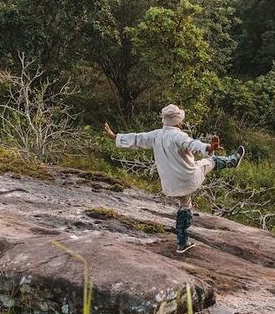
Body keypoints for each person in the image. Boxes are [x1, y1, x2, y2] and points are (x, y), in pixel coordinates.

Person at [103, 104, 245, 253]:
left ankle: (182, 242)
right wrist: (209, 148)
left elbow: (137, 139)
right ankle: (233, 161)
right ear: (179, 121)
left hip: (171, 184)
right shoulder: (178, 136)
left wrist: (115, 137)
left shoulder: (156, 135)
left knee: (185, 204)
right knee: (210, 161)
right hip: (188, 178)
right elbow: (193, 144)